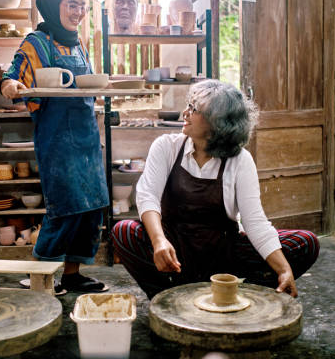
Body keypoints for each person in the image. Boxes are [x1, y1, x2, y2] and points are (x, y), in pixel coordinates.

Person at [112, 80, 319, 299]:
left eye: (194, 109)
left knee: (305, 243)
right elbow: (148, 196)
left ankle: (238, 293)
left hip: (223, 252)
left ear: (217, 123)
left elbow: (254, 221)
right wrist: (159, 241)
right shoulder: (167, 146)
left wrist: (284, 270)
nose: (185, 113)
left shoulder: (240, 160)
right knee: (124, 231)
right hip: (176, 251)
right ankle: (168, 298)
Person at [0, 0, 109, 296]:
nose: (78, 12)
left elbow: (87, 85)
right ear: (53, 6)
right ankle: (40, 276)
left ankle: (72, 275)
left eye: (83, 7)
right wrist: (11, 88)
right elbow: (11, 77)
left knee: (91, 208)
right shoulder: (38, 41)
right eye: (71, 4)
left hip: (87, 138)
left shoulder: (78, 44)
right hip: (58, 139)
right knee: (65, 207)